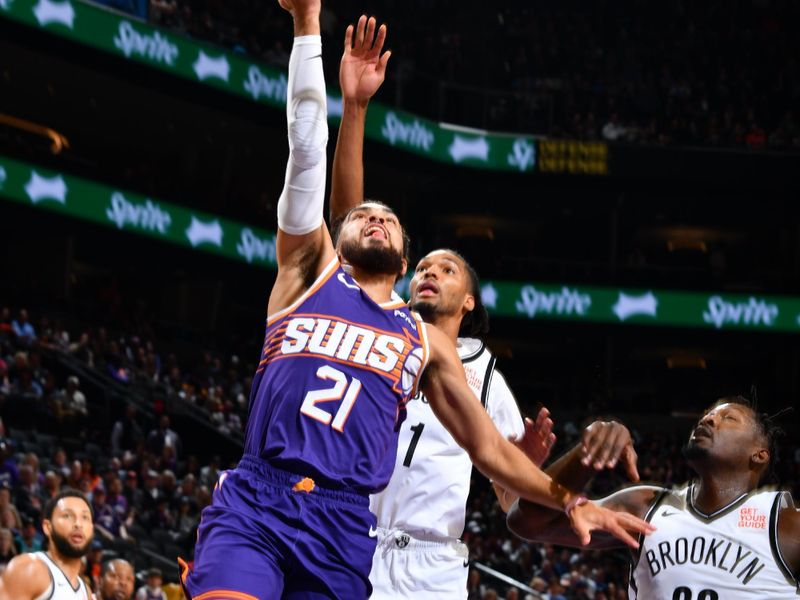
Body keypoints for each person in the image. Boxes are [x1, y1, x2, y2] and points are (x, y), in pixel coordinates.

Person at [180, 2, 652, 599]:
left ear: (401, 261)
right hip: (261, 496)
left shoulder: (424, 341)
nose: (375, 219)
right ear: (344, 237)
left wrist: (568, 499)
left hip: (351, 527)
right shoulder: (309, 272)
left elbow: (487, 450)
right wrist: (308, 30)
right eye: (364, 217)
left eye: (390, 219)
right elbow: (306, 151)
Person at [327, 19, 559, 597]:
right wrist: (354, 111)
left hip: (431, 563)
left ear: (470, 300)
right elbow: (347, 225)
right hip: (350, 536)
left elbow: (511, 502)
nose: (430, 272)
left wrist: (525, 468)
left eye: (447, 268)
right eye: (423, 265)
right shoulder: (376, 323)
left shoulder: (485, 376)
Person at [508, 396, 800, 599]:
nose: (709, 419)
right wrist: (587, 455)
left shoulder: (785, 524)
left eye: (728, 417)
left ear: (759, 454)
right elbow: (527, 522)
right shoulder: (646, 506)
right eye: (708, 415)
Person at [0, 489, 93, 599]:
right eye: (67, 516)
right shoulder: (28, 569)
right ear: (47, 527)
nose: (78, 524)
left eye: (85, 517)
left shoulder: (85, 591)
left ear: (92, 529)